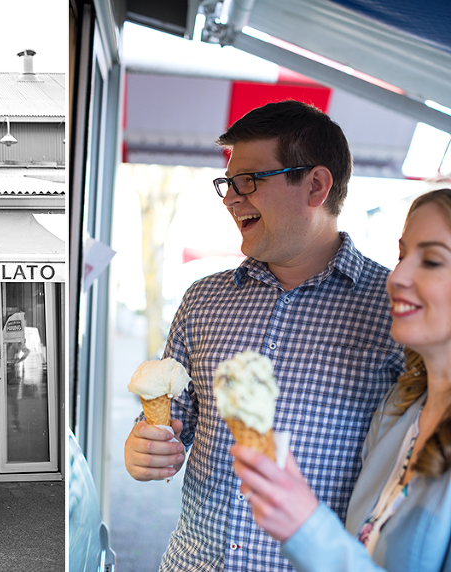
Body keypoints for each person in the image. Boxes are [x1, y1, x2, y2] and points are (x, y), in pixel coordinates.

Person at [123, 100, 405, 571]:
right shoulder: (203, 300)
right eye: (228, 184)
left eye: (248, 181)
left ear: (315, 185)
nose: (231, 197)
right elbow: (172, 424)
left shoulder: (397, 310)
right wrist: (145, 447)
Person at [232, 188, 451, 571]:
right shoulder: (397, 410)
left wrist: (309, 528)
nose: (397, 276)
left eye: (431, 261)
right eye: (401, 255)